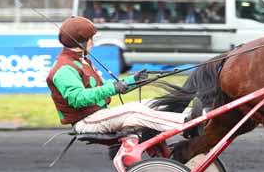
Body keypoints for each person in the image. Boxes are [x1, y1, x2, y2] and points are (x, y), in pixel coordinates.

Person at [46, 16, 194, 134]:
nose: (93, 43)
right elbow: (77, 99)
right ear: (82, 43)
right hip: (86, 121)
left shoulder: (82, 61)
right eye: (92, 39)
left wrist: (133, 81)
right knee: (134, 110)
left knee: (152, 103)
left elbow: (105, 87)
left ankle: (195, 115)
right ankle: (187, 124)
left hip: (99, 115)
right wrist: (115, 88)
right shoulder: (64, 69)